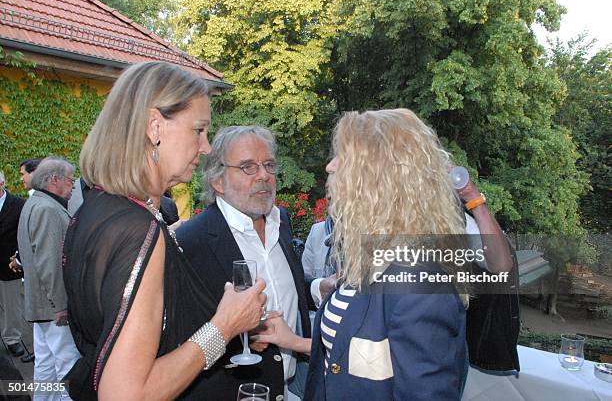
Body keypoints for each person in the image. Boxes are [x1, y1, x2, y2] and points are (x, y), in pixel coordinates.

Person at [62, 62, 266, 401]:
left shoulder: (96, 209)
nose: (207, 147)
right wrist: (224, 325)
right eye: (198, 130)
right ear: (155, 127)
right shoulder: (137, 229)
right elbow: (126, 394)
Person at [256, 109, 470, 400]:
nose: (330, 166)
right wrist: (290, 340)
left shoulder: (417, 279)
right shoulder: (375, 258)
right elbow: (358, 354)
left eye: (343, 157)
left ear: (379, 177)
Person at [176, 126, 312, 401]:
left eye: (269, 165)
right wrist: (237, 336)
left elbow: (283, 285)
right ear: (218, 181)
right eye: (248, 167)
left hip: (291, 389)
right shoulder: (191, 241)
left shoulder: (280, 221)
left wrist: (319, 288)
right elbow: (178, 336)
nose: (264, 175)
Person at [17, 157, 80, 401]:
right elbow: (50, 263)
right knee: (67, 366)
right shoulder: (47, 209)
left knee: (45, 367)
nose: (73, 185)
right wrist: (61, 306)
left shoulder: (34, 204)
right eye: (70, 180)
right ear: (54, 180)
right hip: (54, 308)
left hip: (41, 306)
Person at [0, 170, 28, 358]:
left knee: (12, 306)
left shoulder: (19, 205)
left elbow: (24, 235)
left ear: (2, 184)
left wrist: (18, 258)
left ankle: (12, 339)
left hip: (8, 265)